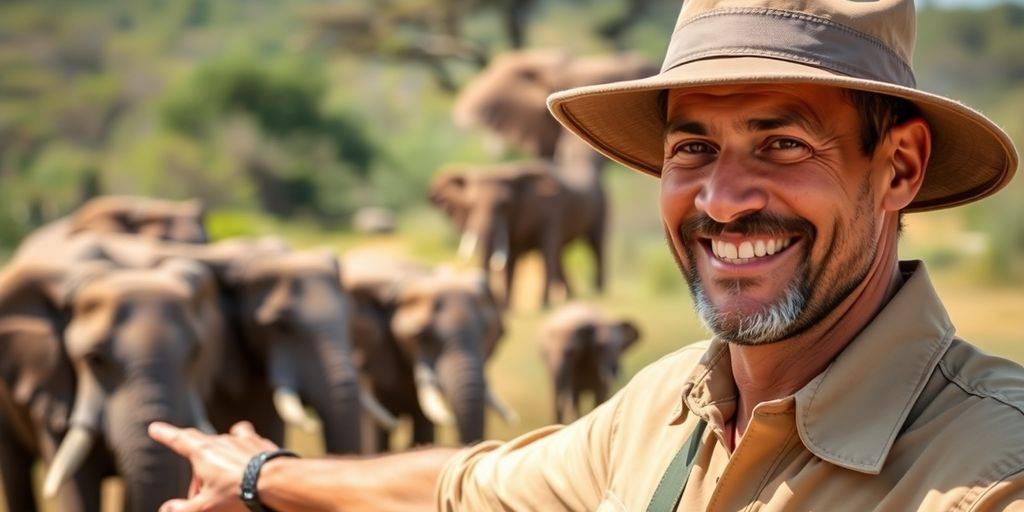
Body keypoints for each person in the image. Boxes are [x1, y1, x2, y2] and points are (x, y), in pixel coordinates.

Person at [149, 0, 1024, 510]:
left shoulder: (989, 468)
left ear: (899, 168)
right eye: (692, 150)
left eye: (783, 146)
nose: (722, 201)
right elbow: (473, 490)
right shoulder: (671, 403)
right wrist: (265, 473)